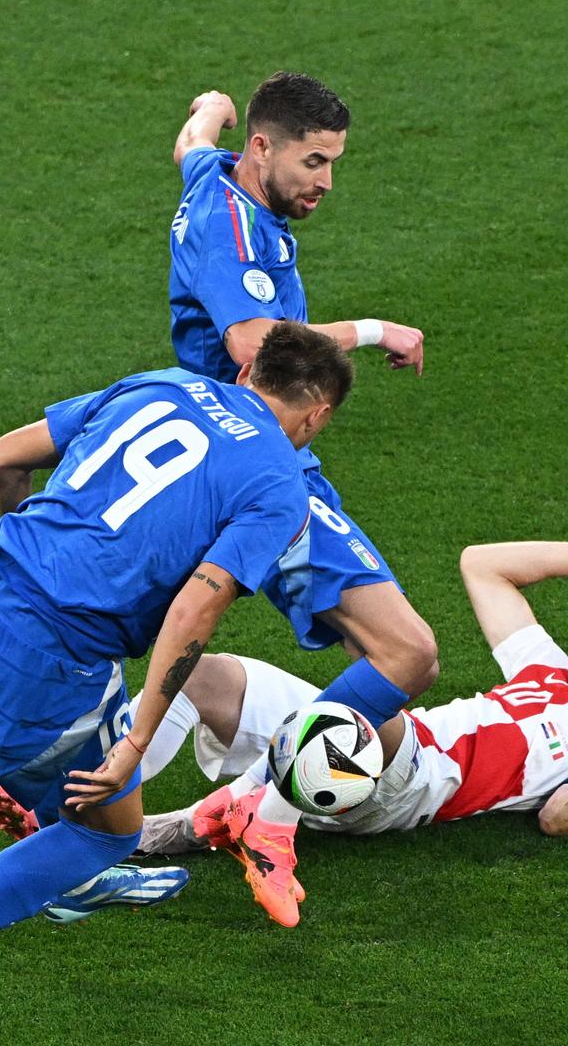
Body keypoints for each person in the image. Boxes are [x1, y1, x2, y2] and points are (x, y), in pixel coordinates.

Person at [0, 323, 355, 1045]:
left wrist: (34, 564)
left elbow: (4, 457)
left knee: (105, 792)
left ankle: (72, 879)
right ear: (317, 416)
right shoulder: (279, 486)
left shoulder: (166, 384)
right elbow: (194, 609)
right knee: (105, 832)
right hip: (50, 653)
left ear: (247, 376)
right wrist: (141, 739)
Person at [0, 523, 568, 927]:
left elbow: (560, 818)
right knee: (203, 673)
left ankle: (246, 818)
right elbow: (480, 563)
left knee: (372, 699)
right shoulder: (547, 670)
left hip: (412, 782)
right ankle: (91, 825)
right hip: (366, 746)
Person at [164, 71, 438, 899]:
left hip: (214, 454)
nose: (325, 182)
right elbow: (253, 341)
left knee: (367, 666)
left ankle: (69, 791)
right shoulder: (235, 231)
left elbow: (190, 150)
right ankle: (265, 807)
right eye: (314, 162)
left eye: (333, 163)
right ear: (264, 148)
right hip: (263, 462)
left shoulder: (214, 175)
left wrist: (202, 111)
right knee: (408, 653)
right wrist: (374, 329)